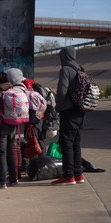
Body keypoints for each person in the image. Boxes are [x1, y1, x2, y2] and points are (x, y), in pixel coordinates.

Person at [51, 46, 85, 186]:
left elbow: (62, 91)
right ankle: (78, 174)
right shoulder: (80, 69)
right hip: (80, 111)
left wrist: (57, 107)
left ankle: (68, 176)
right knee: (76, 142)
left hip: (68, 112)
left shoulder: (66, 70)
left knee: (66, 143)